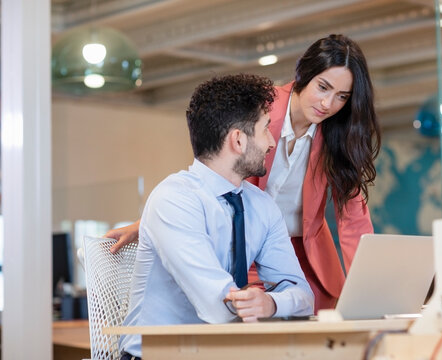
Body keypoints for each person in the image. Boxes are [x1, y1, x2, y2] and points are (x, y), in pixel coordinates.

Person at [107, 34, 381, 313]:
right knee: (243, 317)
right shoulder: (259, 110)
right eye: (323, 87)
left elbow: (354, 222)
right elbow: (215, 167)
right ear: (304, 76)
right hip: (248, 245)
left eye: (341, 97)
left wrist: (373, 292)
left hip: (307, 258)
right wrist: (151, 220)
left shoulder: (339, 132)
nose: (328, 104)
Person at [118, 74, 314, 360]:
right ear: (238, 139)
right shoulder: (174, 199)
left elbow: (304, 297)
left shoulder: (261, 206)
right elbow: (217, 309)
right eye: (264, 130)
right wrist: (268, 305)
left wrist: (270, 303)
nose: (272, 142)